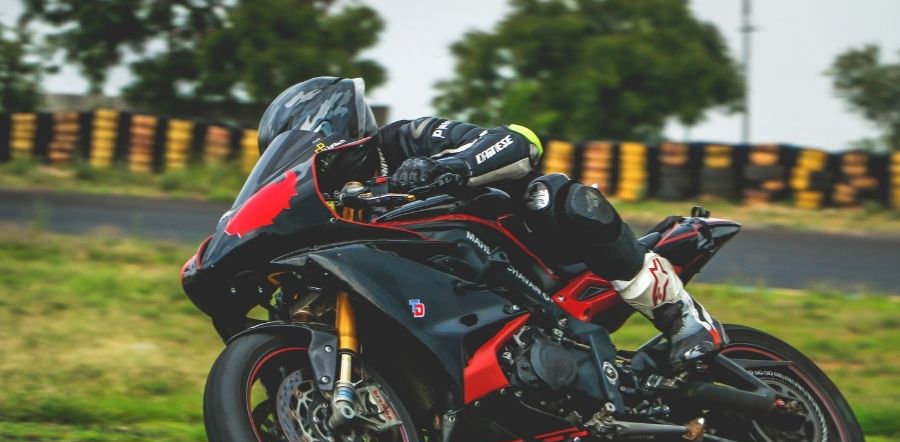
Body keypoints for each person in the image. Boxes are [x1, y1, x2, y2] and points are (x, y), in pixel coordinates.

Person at [258, 76, 725, 370]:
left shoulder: (402, 139)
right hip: (439, 290)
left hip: (519, 248)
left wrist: (451, 166)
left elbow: (517, 141)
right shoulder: (333, 208)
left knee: (555, 194)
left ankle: (686, 323)